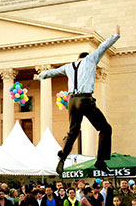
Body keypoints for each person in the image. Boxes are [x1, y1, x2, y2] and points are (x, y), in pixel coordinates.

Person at [35, 27, 120, 175]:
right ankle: (100, 161)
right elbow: (103, 47)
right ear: (87, 57)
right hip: (85, 99)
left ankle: (62, 157)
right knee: (105, 129)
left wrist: (40, 76)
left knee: (73, 131)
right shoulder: (90, 59)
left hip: (72, 101)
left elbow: (52, 72)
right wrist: (115, 36)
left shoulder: (69, 66)